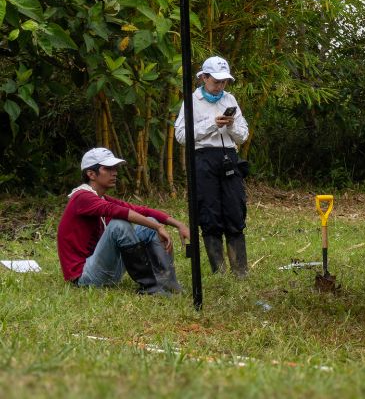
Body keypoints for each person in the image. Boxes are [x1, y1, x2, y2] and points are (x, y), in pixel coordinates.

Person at [57, 147, 190, 295]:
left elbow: (141, 210)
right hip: (85, 277)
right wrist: (158, 227)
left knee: (149, 222)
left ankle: (167, 281)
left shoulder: (101, 198)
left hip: (105, 269)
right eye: (108, 168)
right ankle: (150, 288)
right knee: (119, 225)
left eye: (115, 168)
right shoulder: (81, 197)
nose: (114, 173)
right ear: (91, 174)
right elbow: (118, 212)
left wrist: (179, 224)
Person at [174, 55, 250, 277]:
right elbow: (181, 136)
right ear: (204, 77)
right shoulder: (192, 101)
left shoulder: (230, 99)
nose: (220, 86)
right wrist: (211, 125)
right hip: (203, 159)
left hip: (229, 158)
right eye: (216, 81)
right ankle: (219, 272)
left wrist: (231, 125)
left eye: (224, 81)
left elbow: (243, 135)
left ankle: (240, 271)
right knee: (209, 214)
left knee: (235, 211)